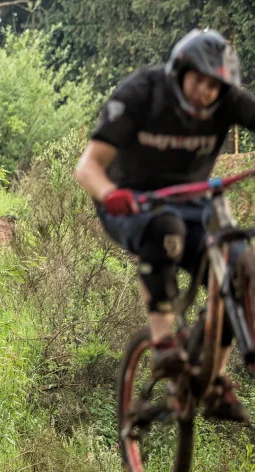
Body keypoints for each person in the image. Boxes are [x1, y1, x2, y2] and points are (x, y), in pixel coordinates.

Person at [74, 29, 253, 423]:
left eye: (215, 86)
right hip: (129, 202)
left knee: (240, 263)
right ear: (180, 71)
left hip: (193, 205)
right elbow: (87, 167)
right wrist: (111, 194)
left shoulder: (226, 103)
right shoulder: (143, 92)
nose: (205, 91)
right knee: (164, 229)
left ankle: (216, 379)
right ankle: (162, 342)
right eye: (199, 80)